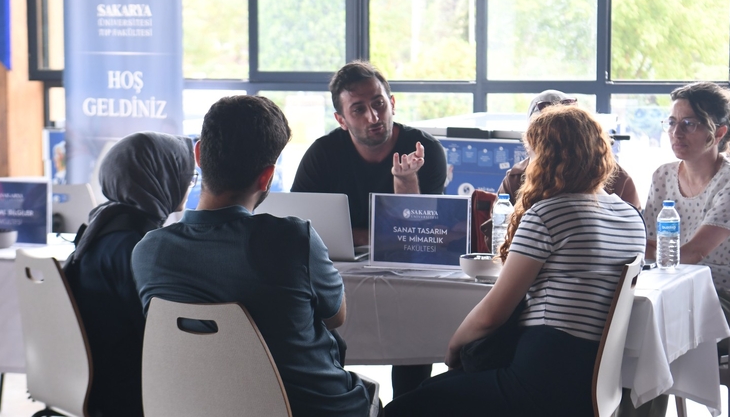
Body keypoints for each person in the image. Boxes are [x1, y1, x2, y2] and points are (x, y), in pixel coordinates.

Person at [384, 105, 646, 416]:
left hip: (540, 379)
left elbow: (492, 314)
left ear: (546, 159)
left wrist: (453, 347)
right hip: (591, 385)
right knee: (437, 390)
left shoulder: (548, 215)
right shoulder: (630, 216)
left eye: (532, 154)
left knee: (403, 408)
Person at [131, 95, 371, 417]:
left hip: (201, 408)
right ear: (266, 176)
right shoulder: (292, 240)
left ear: (199, 155)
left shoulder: (148, 252)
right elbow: (335, 317)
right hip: (311, 409)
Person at [291, 60, 447, 396]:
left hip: (410, 276)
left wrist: (406, 181)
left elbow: (423, 234)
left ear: (392, 102)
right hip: (337, 274)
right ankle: (336, 398)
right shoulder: (322, 154)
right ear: (341, 120)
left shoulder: (425, 150)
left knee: (414, 339)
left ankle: (407, 405)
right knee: (320, 335)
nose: (373, 117)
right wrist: (380, 235)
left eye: (378, 104)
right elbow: (299, 224)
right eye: (358, 109)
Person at [625, 82, 730, 417]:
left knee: (652, 329)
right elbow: (645, 241)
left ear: (718, 132)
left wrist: (621, 240)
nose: (676, 132)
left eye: (689, 124)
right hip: (681, 296)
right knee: (623, 323)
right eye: (671, 122)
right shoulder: (663, 176)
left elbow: (693, 253)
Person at [63, 131, 196, 417]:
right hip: (131, 392)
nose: (189, 185)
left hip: (100, 381)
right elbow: (162, 334)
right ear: (159, 178)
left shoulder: (103, 225)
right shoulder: (137, 246)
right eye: (188, 177)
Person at [480, 90, 640, 249]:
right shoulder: (516, 178)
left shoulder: (618, 179)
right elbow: (497, 237)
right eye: (547, 141)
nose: (556, 151)